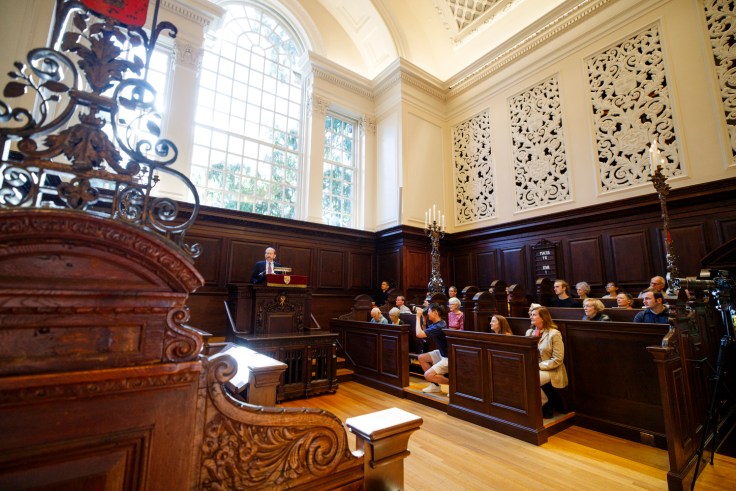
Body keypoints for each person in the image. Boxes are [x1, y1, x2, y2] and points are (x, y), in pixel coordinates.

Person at [526, 306, 568, 418]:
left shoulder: (554, 334)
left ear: (543, 318)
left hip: (553, 369)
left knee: (530, 379)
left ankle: (545, 403)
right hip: (534, 367)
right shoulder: (530, 332)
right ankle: (544, 400)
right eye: (531, 314)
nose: (531, 316)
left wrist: (538, 366)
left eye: (534, 314)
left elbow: (558, 359)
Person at [416, 303, 449, 394]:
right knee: (422, 357)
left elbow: (419, 334)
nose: (428, 313)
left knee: (428, 375)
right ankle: (435, 386)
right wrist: (424, 320)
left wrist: (418, 317)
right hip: (442, 353)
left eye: (429, 311)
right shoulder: (438, 323)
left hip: (447, 357)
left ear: (435, 312)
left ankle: (454, 386)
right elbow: (424, 333)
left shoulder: (439, 326)